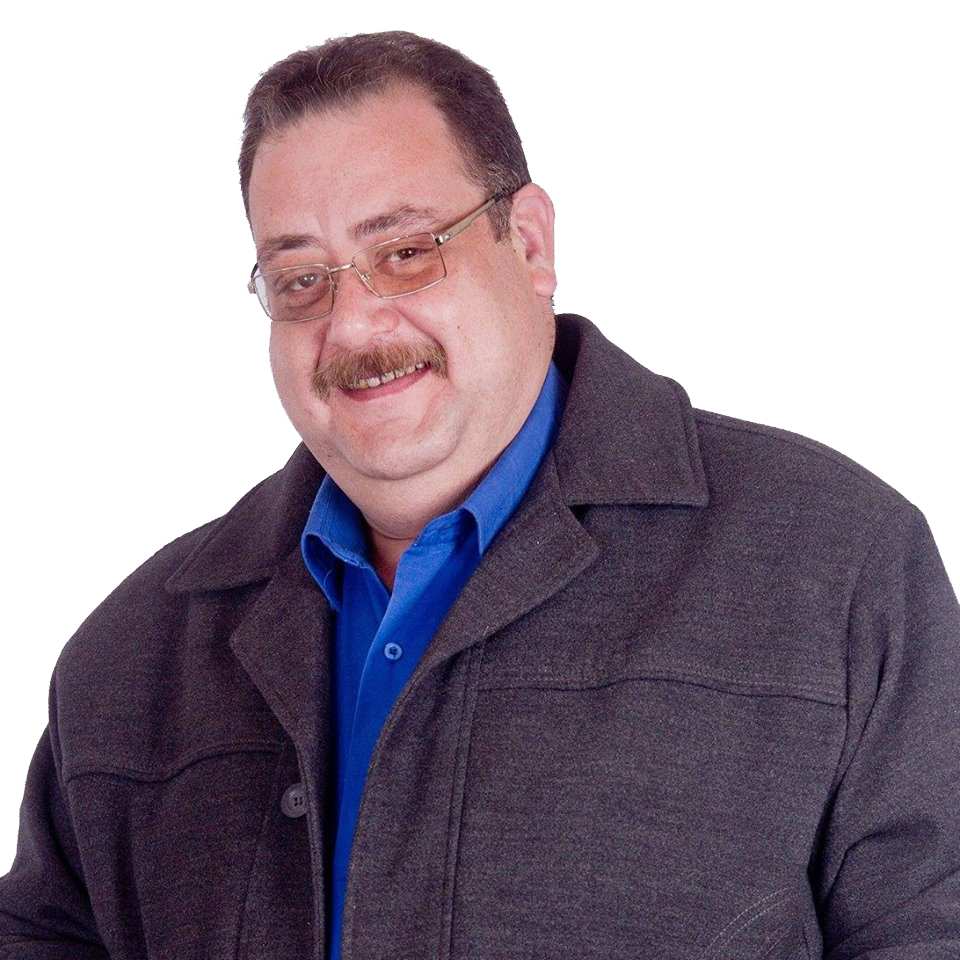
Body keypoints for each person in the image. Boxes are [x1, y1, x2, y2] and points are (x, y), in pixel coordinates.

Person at [1, 29, 957, 960]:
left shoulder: (832, 569)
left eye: (406, 251)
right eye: (300, 280)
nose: (353, 325)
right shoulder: (132, 658)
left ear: (530, 244)